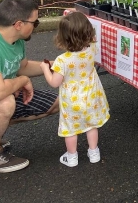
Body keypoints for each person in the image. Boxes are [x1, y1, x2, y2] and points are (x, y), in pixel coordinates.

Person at [0, 0, 58, 173]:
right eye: (35, 22)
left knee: (58, 103)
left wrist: (59, 65)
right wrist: (21, 82)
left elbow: (22, 67)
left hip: (2, 94)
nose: (36, 25)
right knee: (6, 101)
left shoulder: (17, 40)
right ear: (18, 24)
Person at [40, 12, 109, 167]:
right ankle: (94, 152)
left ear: (63, 37)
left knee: (70, 129)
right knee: (91, 125)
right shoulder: (92, 49)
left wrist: (45, 68)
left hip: (72, 101)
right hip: (91, 96)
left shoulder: (62, 61)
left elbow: (54, 82)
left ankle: (72, 157)